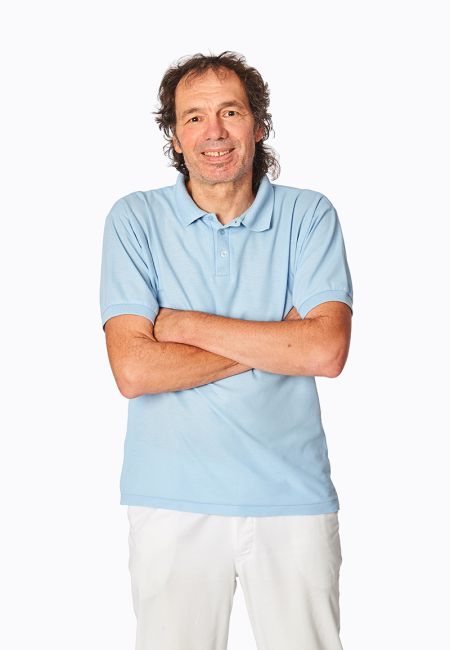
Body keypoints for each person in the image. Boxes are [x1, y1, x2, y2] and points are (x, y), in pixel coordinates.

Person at [99, 50, 353, 650]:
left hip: (293, 499)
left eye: (230, 112)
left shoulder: (308, 215)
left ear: (258, 125)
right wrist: (275, 338)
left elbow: (325, 351)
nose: (213, 131)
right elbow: (133, 369)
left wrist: (183, 324)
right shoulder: (134, 219)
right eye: (193, 117)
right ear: (175, 135)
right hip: (171, 500)